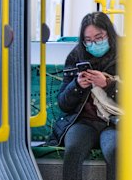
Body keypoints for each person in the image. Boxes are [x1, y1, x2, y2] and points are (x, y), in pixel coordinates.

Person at [50, 12, 119, 180]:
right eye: (88, 40)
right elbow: (63, 104)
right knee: (73, 149)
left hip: (115, 123)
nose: (94, 43)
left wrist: (108, 85)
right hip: (84, 121)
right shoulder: (75, 57)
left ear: (109, 35)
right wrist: (77, 86)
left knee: (114, 150)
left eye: (99, 37)